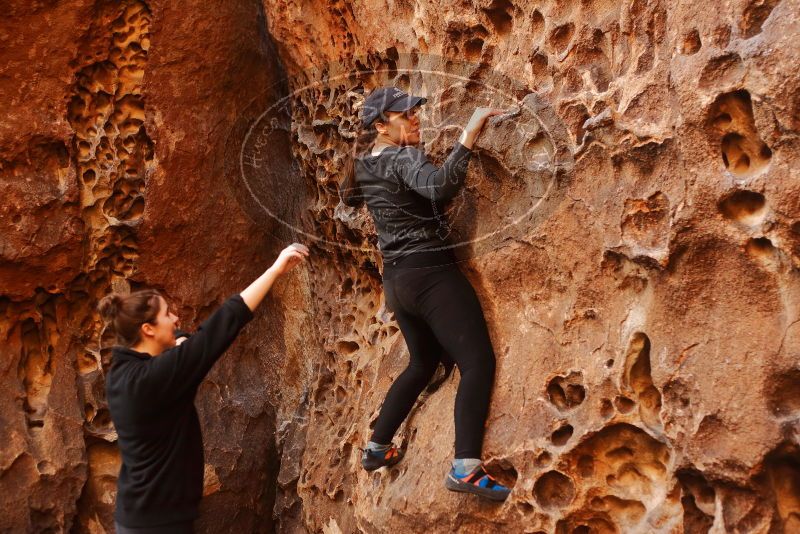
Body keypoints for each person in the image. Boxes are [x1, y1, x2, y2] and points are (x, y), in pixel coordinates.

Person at [340, 86, 511, 501]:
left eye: (416, 111)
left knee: (423, 362)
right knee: (477, 361)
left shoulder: (366, 163)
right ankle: (465, 468)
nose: (415, 118)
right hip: (430, 274)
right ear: (381, 125)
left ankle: (377, 448)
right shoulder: (403, 157)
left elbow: (348, 197)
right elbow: (439, 188)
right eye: (404, 115)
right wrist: (469, 134)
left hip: (397, 282)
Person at [99, 243, 309, 533]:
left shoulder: (122, 372)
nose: (175, 319)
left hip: (138, 515)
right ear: (147, 329)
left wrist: (178, 345)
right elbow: (222, 326)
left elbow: (186, 345)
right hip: (159, 523)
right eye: (167, 315)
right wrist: (275, 270)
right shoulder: (156, 378)